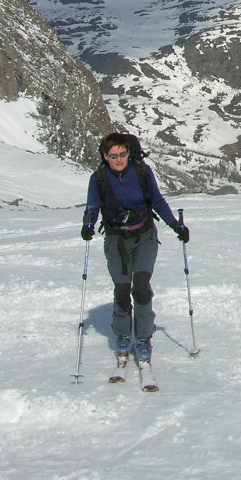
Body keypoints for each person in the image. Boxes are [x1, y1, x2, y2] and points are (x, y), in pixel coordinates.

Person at [80, 132, 189, 363]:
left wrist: (175, 225)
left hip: (144, 237)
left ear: (129, 153)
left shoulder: (141, 172)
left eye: (123, 154)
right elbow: (92, 206)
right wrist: (88, 224)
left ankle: (143, 337)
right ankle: (122, 334)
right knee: (121, 289)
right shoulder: (99, 179)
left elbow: (157, 201)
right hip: (116, 240)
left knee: (140, 287)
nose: (119, 159)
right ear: (105, 156)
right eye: (114, 155)